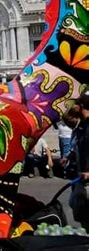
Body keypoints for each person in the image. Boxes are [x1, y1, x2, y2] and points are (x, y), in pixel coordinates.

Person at [70, 93, 89, 230]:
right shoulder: (82, 125)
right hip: (81, 176)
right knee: (77, 206)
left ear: (81, 106)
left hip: (87, 175)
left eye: (74, 104)